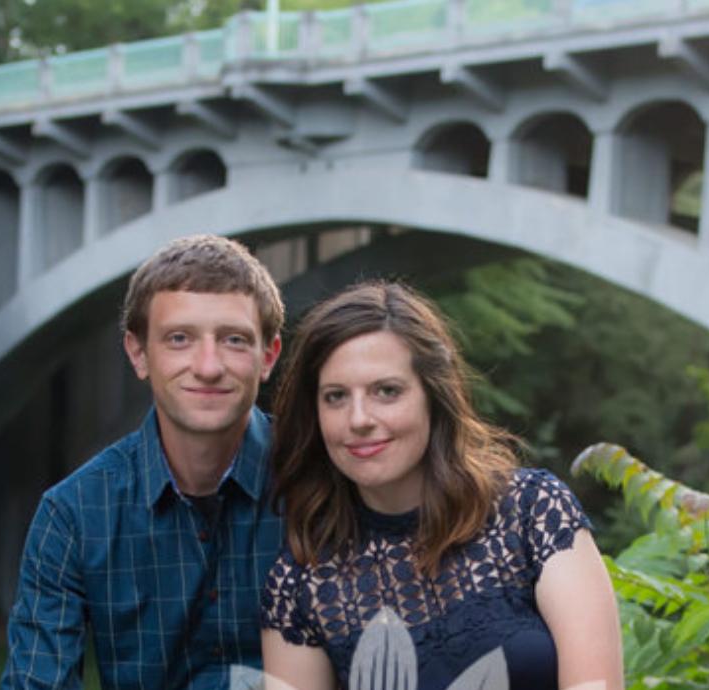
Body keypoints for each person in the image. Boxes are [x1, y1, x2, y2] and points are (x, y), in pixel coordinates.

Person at [260, 281, 623, 690]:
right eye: (336, 396)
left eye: (386, 391)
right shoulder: (302, 584)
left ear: (433, 395)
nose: (358, 419)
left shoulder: (534, 513)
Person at [1, 234, 285, 690]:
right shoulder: (73, 514)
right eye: (179, 339)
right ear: (139, 354)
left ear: (267, 356)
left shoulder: (320, 481)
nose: (208, 366)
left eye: (234, 340)